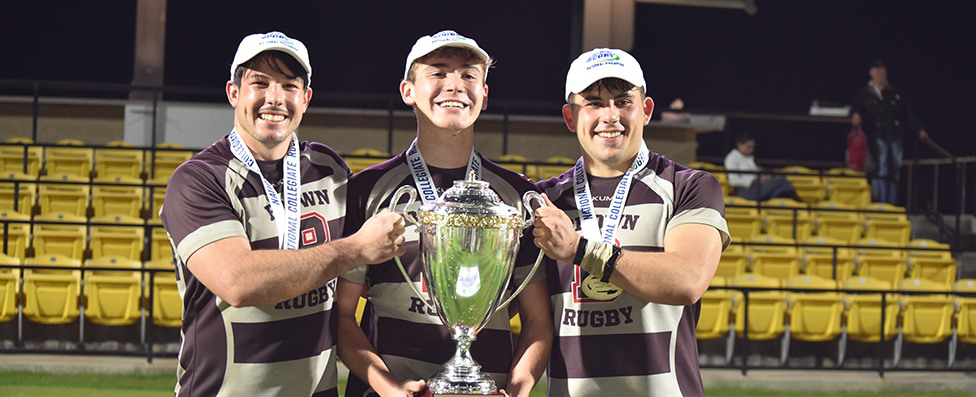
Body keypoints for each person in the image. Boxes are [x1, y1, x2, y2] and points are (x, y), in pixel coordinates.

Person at [160, 31, 407, 397]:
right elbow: (238, 282)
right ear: (233, 93)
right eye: (259, 83)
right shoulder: (198, 179)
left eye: (289, 86)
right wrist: (352, 250)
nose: (274, 98)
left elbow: (361, 288)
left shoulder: (329, 168)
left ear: (305, 99)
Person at [336, 30, 552, 397]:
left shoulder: (518, 196)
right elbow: (341, 317)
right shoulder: (366, 190)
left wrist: (518, 388)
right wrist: (388, 388)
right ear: (408, 91)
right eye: (437, 73)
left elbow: (538, 321)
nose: (454, 85)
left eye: (468, 75)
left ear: (484, 96)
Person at [532, 48, 730, 396]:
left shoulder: (690, 186)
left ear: (646, 110)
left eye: (623, 101)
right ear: (570, 116)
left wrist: (580, 249)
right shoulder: (544, 201)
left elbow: (687, 280)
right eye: (593, 102)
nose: (610, 116)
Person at [851, 59, 928, 205]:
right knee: (881, 170)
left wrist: (919, 128)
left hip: (895, 135)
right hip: (876, 136)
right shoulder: (865, 92)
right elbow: (856, 108)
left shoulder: (894, 90)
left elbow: (907, 111)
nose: (880, 73)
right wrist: (855, 114)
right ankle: (881, 202)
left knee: (894, 170)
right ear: (871, 73)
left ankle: (891, 202)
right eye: (877, 70)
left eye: (882, 70)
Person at [723, 133, 798, 201]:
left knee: (779, 188)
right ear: (740, 145)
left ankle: (789, 202)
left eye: (753, 147)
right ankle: (797, 201)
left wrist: (763, 177)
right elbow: (733, 181)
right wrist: (754, 180)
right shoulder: (731, 158)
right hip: (746, 191)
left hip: (758, 186)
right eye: (749, 147)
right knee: (781, 181)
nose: (751, 150)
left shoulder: (749, 158)